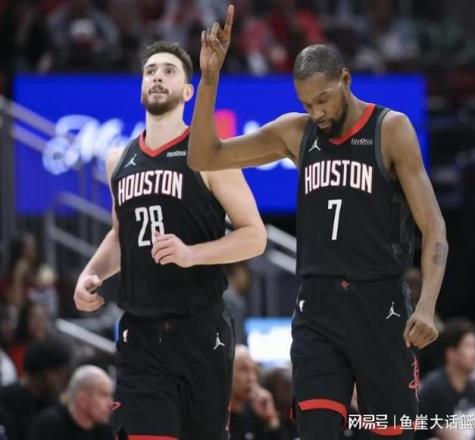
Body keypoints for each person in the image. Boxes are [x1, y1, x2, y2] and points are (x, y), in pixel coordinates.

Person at [188, 6, 448, 439]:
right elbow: (203, 156)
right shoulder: (296, 132)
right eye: (307, 104)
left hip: (380, 303)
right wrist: (210, 77)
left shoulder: (391, 129)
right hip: (317, 308)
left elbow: (434, 225)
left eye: (323, 99)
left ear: (345, 79)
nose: (317, 112)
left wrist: (426, 306)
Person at [73, 40, 267, 440]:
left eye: (168, 71)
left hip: (201, 328)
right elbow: (120, 235)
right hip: (140, 332)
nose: (157, 77)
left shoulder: (210, 156)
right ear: (141, 87)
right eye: (150, 71)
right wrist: (90, 274)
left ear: (188, 91)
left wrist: (192, 253)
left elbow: (255, 236)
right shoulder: (118, 159)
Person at [418, 319, 475, 439]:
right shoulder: (435, 388)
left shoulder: (471, 387)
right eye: (469, 346)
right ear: (451, 353)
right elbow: (451, 436)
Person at [0, 339, 72, 440]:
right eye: (59, 373)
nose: (62, 381)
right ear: (45, 372)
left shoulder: (53, 404)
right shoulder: (5, 400)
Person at [29, 365, 114, 440]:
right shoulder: (50, 427)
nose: (111, 403)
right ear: (83, 400)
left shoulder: (104, 430)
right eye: (104, 395)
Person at [230, 345, 283, 440]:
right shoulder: (218, 416)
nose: (251, 378)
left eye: (253, 370)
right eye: (243, 369)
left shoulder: (256, 412)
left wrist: (270, 419)